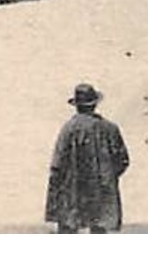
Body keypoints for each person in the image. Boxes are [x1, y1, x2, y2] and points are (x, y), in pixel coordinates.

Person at [45, 83, 130, 234]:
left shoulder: (68, 129)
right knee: (99, 232)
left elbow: (57, 166)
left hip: (73, 194)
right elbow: (123, 161)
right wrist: (108, 176)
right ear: (95, 104)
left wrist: (55, 204)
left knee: (68, 233)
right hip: (102, 193)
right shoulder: (110, 129)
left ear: (77, 106)